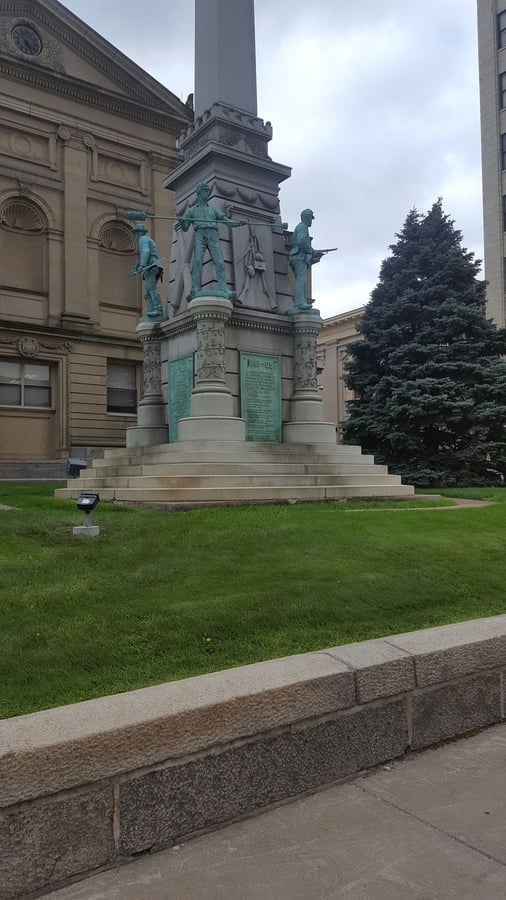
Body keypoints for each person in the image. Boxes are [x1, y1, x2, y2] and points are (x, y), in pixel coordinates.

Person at [177, 182, 246, 296]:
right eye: (205, 191)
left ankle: (223, 288)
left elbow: (226, 221)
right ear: (199, 193)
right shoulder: (191, 211)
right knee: (198, 260)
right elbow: (185, 228)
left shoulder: (213, 209)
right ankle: (195, 288)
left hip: (212, 234)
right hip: (200, 234)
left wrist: (238, 223)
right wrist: (181, 222)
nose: (207, 193)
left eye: (208, 191)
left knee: (219, 261)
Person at [289, 208, 324, 310]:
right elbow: (301, 241)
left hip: (298, 257)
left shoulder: (301, 227)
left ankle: (301, 301)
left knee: (302, 280)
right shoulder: (302, 227)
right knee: (302, 280)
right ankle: (300, 303)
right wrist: (312, 251)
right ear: (307, 217)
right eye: (311, 218)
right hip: (299, 257)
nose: (311, 221)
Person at [131, 224, 164, 318]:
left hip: (151, 266)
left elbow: (146, 251)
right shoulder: (145, 239)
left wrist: (142, 265)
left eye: (136, 233)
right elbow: (144, 255)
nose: (135, 236)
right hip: (152, 266)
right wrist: (138, 265)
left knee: (151, 288)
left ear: (139, 233)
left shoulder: (143, 239)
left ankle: (158, 310)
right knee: (147, 293)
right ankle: (150, 312)